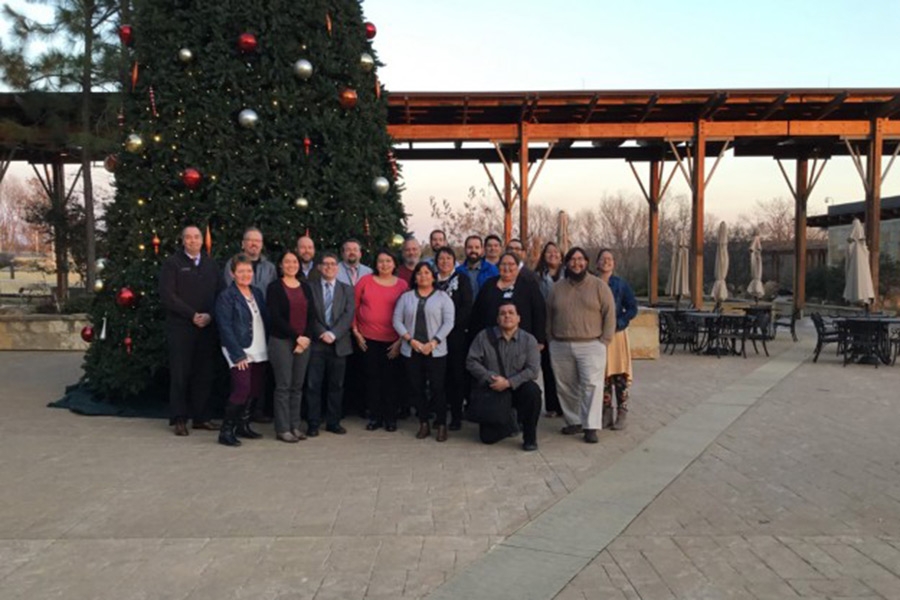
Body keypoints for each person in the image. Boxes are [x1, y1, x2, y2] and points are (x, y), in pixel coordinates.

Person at [546, 247, 616, 444]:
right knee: (566, 386)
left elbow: (609, 314)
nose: (576, 263)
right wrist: (550, 338)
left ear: (586, 262)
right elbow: (549, 314)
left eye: (580, 259)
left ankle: (591, 426)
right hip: (561, 344)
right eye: (572, 260)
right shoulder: (556, 288)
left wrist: (604, 341)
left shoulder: (599, 286)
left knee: (591, 386)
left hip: (591, 344)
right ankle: (574, 421)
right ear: (566, 263)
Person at [159, 225, 222, 436]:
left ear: (202, 240)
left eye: (196, 237)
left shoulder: (211, 264)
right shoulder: (172, 264)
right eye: (188, 237)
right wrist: (191, 315)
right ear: (183, 240)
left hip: (207, 327)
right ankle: (179, 418)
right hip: (181, 327)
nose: (193, 240)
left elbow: (220, 293)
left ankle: (201, 418)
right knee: (180, 373)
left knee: (204, 373)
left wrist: (210, 315)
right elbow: (168, 295)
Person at [466, 302, 542, 451]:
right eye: (503, 313)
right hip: (493, 388)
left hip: (517, 388)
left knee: (533, 391)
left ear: (518, 318)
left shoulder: (529, 340)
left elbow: (533, 370)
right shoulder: (483, 337)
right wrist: (491, 378)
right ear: (497, 319)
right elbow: (471, 362)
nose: (507, 316)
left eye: (511, 313)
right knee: (488, 438)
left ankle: (530, 437)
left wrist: (508, 382)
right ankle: (511, 422)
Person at [393, 262, 455, 442]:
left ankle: (441, 424)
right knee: (417, 388)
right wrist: (409, 340)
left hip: (435, 350)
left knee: (437, 388)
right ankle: (423, 423)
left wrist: (434, 342)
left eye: (427, 273)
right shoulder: (406, 297)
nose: (423, 276)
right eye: (419, 273)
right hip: (412, 349)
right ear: (415, 278)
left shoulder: (443, 297)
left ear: (433, 277)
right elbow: (397, 320)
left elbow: (449, 322)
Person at [215, 254, 270, 446]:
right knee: (242, 388)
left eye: (248, 271)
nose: (245, 274)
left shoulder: (257, 293)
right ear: (232, 274)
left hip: (259, 346)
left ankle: (243, 425)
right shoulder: (226, 296)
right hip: (239, 348)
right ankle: (226, 431)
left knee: (254, 388)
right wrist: (237, 354)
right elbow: (225, 326)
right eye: (241, 271)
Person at [352, 249, 408, 431]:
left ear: (394, 263)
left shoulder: (402, 285)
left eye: (388, 261)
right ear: (376, 264)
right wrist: (356, 331)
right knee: (372, 379)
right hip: (367, 339)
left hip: (393, 341)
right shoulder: (365, 281)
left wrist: (400, 341)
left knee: (391, 381)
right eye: (381, 261)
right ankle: (375, 417)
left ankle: (390, 418)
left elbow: (408, 314)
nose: (384, 264)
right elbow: (353, 306)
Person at [266, 251, 314, 443]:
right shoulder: (274, 288)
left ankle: (295, 425)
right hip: (281, 341)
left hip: (303, 343)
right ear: (280, 265)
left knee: (297, 386)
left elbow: (312, 315)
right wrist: (297, 338)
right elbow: (275, 317)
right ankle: (283, 428)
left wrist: (306, 338)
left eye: (294, 261)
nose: (291, 265)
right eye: (287, 261)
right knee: (283, 386)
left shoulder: (305, 287)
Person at [305, 252, 355, 436]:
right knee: (313, 385)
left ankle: (333, 422)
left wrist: (334, 334)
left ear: (338, 267)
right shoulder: (309, 288)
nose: (329, 267)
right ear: (319, 267)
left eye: (333, 264)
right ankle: (313, 423)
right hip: (317, 343)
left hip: (339, 343)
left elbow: (348, 314)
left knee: (336, 385)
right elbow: (309, 314)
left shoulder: (347, 289)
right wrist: (322, 333)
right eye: (325, 264)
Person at [596, 248, 638, 431]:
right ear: (597, 263)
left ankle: (622, 411)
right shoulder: (592, 283)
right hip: (597, 335)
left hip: (617, 335)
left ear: (613, 263)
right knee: (603, 375)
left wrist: (619, 322)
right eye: (603, 258)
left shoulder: (621, 284)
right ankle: (606, 412)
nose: (606, 261)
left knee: (619, 374)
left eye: (610, 259)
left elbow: (632, 308)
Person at [469, 252, 546, 350]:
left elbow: (539, 313)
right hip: (491, 342)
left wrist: (539, 340)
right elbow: (477, 313)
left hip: (522, 343)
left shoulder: (529, 286)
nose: (507, 268)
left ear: (517, 267)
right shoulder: (489, 285)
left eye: (511, 264)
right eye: (503, 264)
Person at [435, 246, 473, 430]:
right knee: (437, 377)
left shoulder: (462, 279)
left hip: (455, 335)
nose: (444, 262)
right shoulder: (430, 279)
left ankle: (456, 416)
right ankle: (439, 415)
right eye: (441, 259)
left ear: (454, 261)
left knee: (456, 376)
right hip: (433, 337)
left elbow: (467, 306)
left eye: (448, 258)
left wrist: (449, 326)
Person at [535, 241, 564, 417]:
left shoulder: (569, 275)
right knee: (548, 368)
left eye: (556, 252)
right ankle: (552, 406)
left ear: (561, 256)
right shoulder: (537, 277)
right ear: (543, 256)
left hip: (565, 328)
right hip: (545, 328)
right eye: (549, 252)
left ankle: (566, 405)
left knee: (564, 369)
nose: (553, 254)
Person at [223, 227, 277, 297]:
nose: (254, 243)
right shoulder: (232, 264)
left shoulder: (270, 268)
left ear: (262, 245)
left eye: (257, 241)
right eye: (250, 240)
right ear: (243, 243)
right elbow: (229, 289)